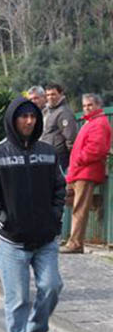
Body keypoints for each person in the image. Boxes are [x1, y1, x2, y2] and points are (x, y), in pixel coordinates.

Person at [0, 97, 65, 332]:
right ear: (12, 119)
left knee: (51, 287)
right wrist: (4, 222)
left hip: (46, 241)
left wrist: (54, 218)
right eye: (23, 116)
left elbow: (59, 189)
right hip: (12, 243)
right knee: (17, 301)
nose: (29, 121)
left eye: (33, 116)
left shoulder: (48, 152)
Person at [62, 94, 111, 254]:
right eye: (84, 106)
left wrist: (78, 161)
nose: (87, 108)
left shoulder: (99, 123)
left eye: (90, 105)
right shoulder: (91, 122)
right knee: (76, 204)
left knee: (79, 208)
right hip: (81, 170)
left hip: (86, 171)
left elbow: (96, 149)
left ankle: (75, 243)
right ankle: (96, 204)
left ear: (98, 105)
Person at [41, 84, 78, 172]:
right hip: (47, 155)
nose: (50, 97)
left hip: (60, 157)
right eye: (48, 95)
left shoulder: (64, 112)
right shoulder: (47, 111)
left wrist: (72, 160)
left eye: (53, 94)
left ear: (61, 94)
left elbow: (70, 137)